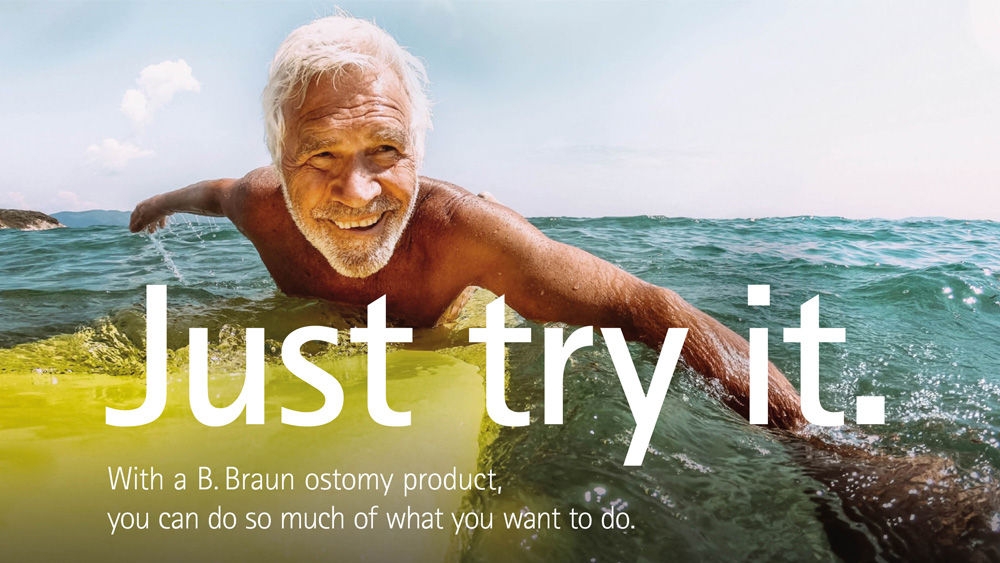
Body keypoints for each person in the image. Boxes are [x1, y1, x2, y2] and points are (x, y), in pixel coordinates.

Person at [130, 15, 804, 430]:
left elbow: (646, 305)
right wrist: (154, 206)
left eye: (385, 150)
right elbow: (210, 194)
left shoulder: (463, 238)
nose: (357, 191)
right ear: (278, 157)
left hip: (455, 290)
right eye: (321, 155)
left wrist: (811, 442)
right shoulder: (257, 202)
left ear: (418, 150)